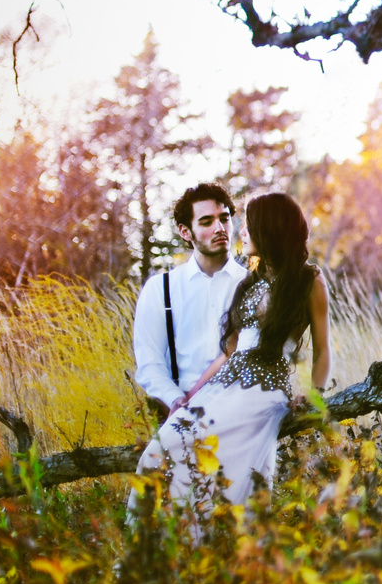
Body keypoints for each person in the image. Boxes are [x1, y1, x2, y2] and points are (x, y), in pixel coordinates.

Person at [135, 192, 332, 512]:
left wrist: (316, 396)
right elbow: (228, 354)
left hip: (263, 391)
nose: (239, 231)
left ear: (269, 229)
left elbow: (323, 350)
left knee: (227, 477)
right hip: (222, 386)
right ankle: (156, 549)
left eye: (248, 225)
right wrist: (188, 398)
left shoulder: (308, 280)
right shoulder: (249, 284)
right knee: (159, 452)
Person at [133, 183, 246, 425]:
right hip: (182, 419)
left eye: (224, 219)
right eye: (206, 222)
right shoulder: (160, 289)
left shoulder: (251, 284)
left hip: (242, 414)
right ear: (185, 231)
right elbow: (149, 363)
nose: (220, 228)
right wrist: (175, 401)